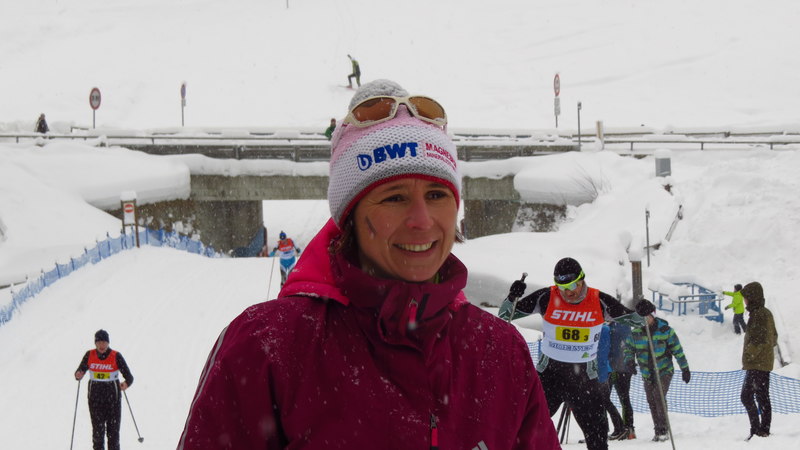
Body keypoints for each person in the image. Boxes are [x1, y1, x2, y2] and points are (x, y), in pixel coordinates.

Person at [178, 79, 560, 449]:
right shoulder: (266, 347)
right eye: (394, 197)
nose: (422, 220)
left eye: (436, 194)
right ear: (350, 217)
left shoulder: (500, 352)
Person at [499, 257, 646, 450]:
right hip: (549, 376)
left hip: (584, 381)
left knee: (598, 439)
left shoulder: (599, 300)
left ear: (582, 279)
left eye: (572, 285)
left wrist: (642, 312)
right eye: (562, 287)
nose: (568, 292)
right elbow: (505, 315)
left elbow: (636, 321)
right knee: (524, 429)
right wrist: (512, 297)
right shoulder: (546, 297)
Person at [624, 300, 690, 442]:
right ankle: (657, 429)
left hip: (664, 370)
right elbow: (628, 348)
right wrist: (629, 361)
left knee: (658, 396)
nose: (644, 321)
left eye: (647, 317)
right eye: (641, 318)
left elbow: (677, 350)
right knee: (651, 400)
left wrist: (685, 368)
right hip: (647, 373)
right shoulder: (635, 333)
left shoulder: (665, 331)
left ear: (652, 315)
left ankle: (663, 429)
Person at [74, 329, 134, 450]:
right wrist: (78, 374)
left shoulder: (116, 356)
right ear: (95, 343)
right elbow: (80, 371)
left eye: (104, 342)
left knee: (113, 434)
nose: (101, 345)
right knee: (98, 434)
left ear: (108, 343)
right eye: (99, 342)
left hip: (113, 400)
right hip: (95, 400)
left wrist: (125, 384)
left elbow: (129, 377)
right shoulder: (89, 355)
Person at [739, 281, 778, 440]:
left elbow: (760, 340)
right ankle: (761, 430)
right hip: (761, 362)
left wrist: (750, 354)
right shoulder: (763, 313)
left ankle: (759, 430)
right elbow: (774, 337)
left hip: (757, 364)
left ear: (752, 297)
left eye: (746, 297)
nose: (744, 300)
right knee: (761, 397)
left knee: (748, 396)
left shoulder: (759, 314)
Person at [607, 321, 636, 440]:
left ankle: (626, 428)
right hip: (616, 367)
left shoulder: (618, 326)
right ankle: (625, 428)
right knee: (610, 399)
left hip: (619, 368)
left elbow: (618, 348)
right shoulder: (616, 326)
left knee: (620, 398)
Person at [597, 324, 626, 442]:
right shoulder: (602, 328)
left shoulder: (603, 329)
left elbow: (602, 354)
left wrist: (601, 374)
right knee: (602, 402)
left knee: (604, 401)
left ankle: (619, 428)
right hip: (600, 370)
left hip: (602, 371)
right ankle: (605, 430)